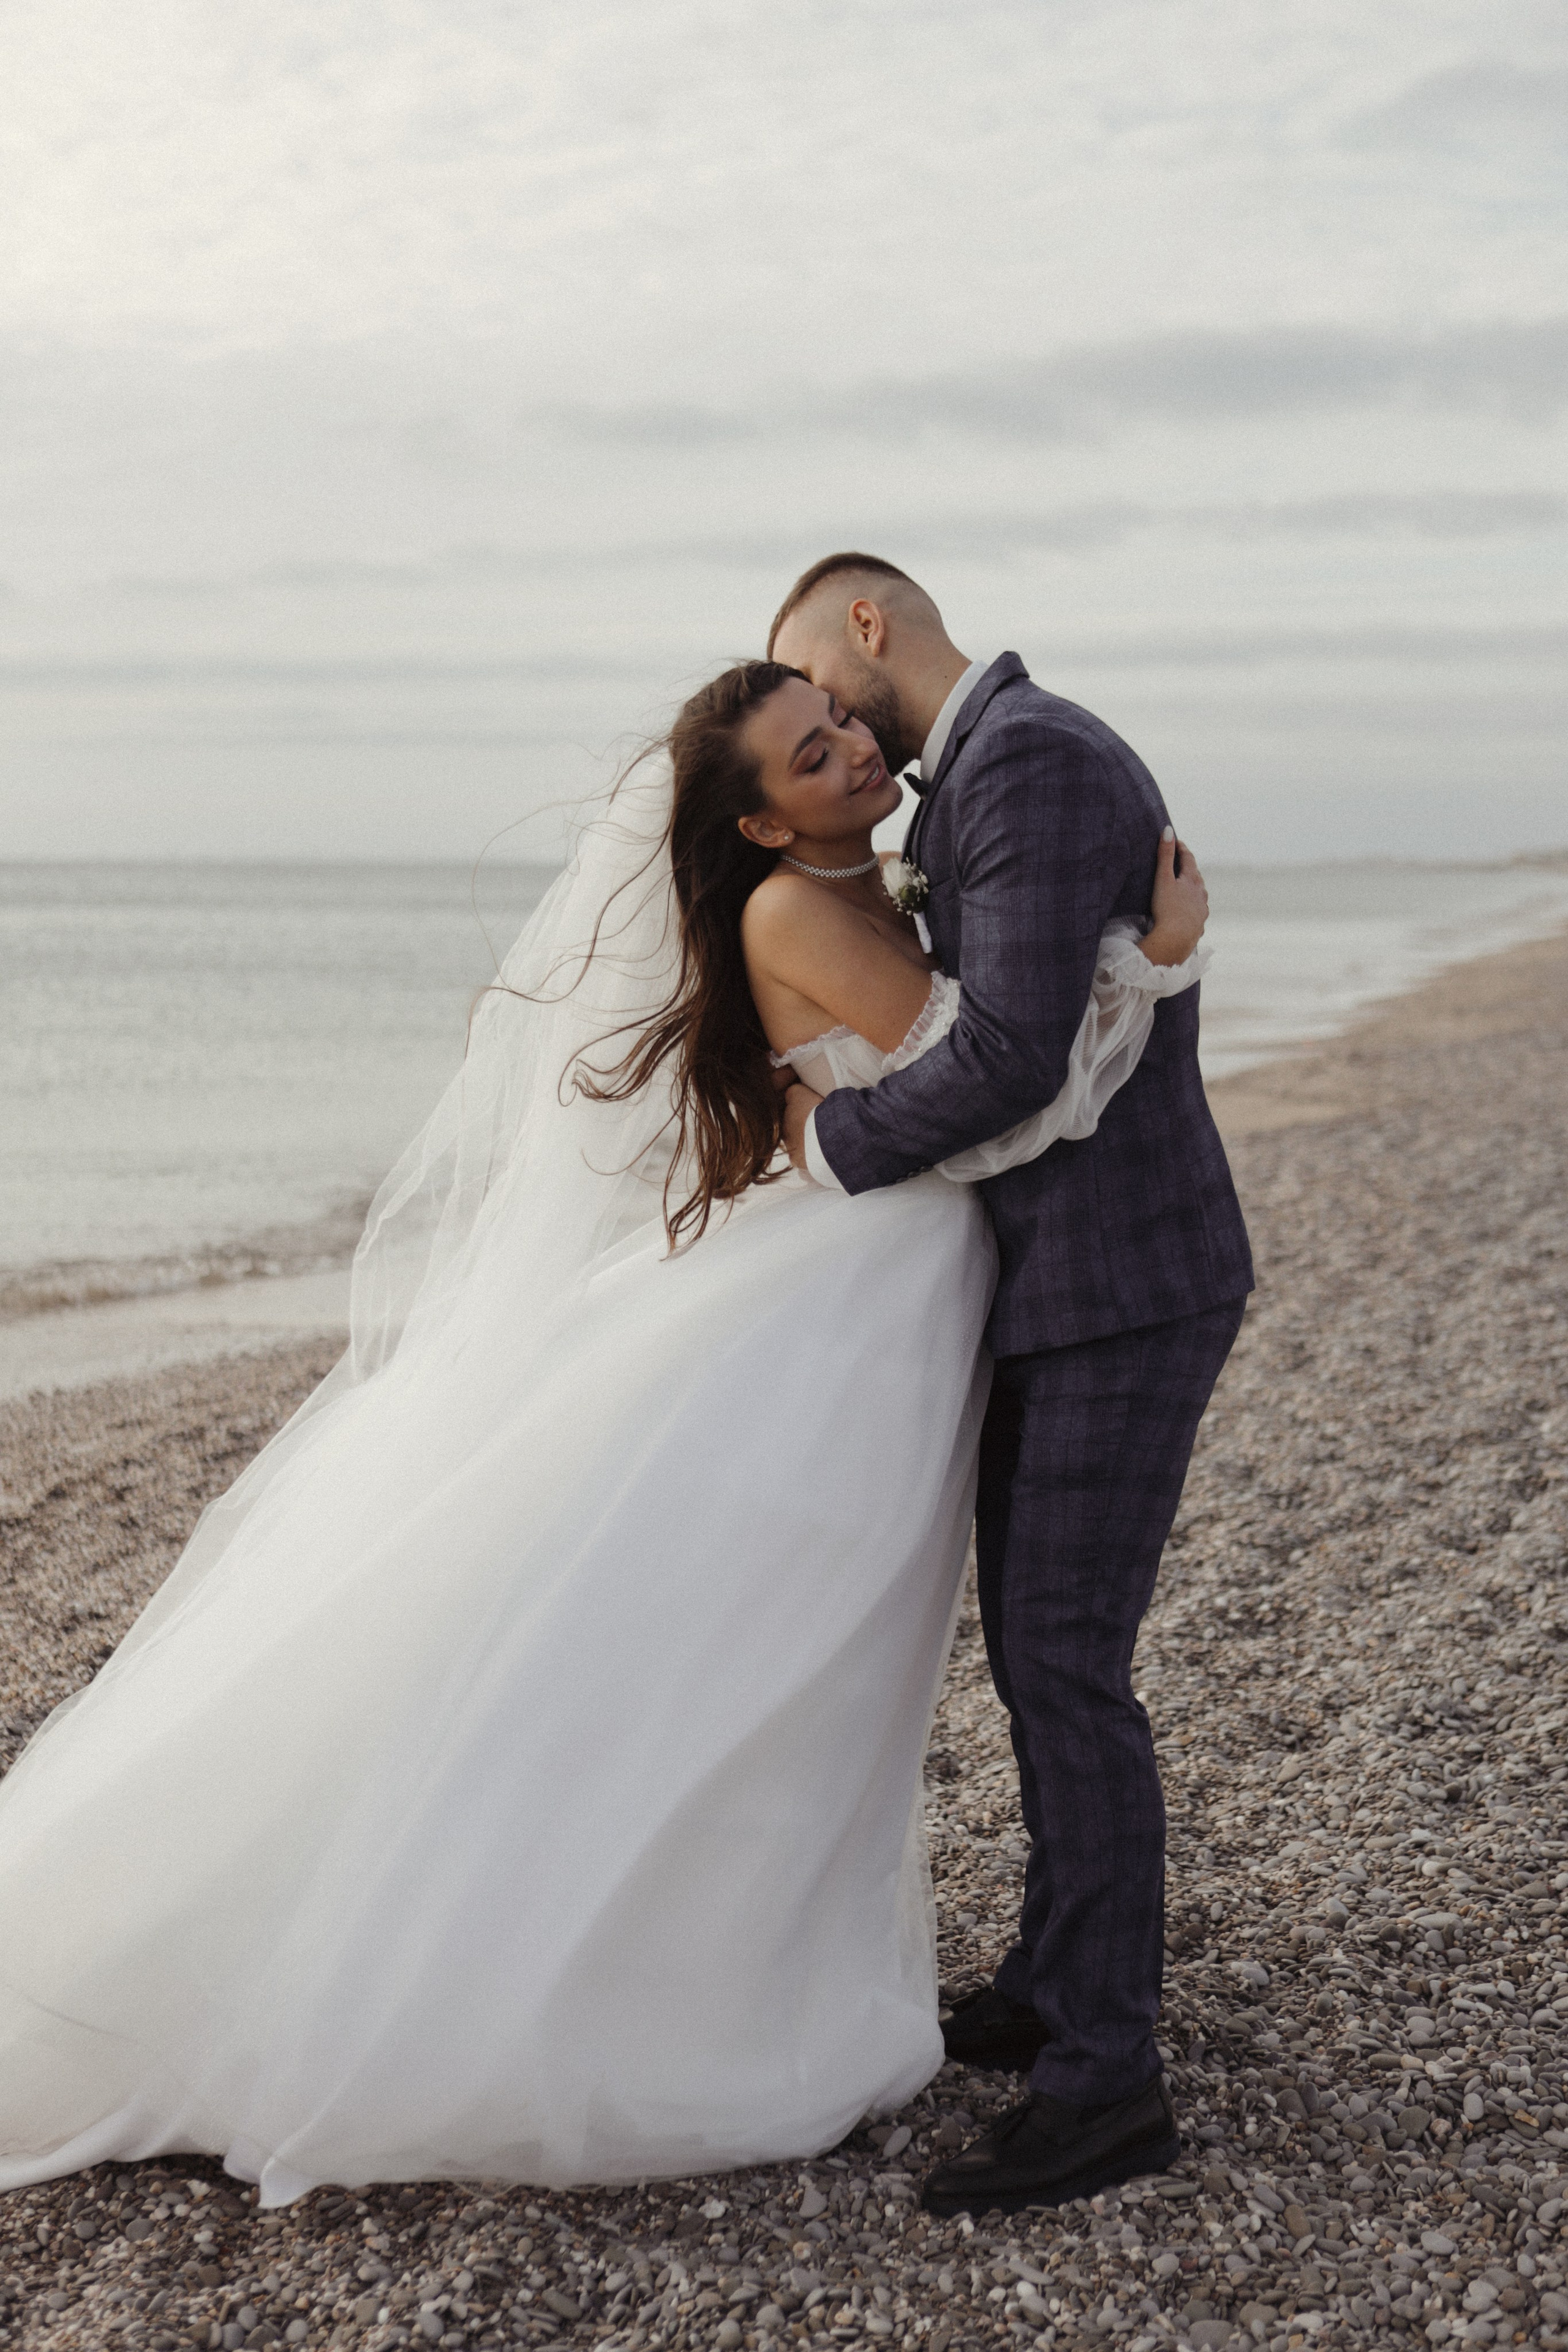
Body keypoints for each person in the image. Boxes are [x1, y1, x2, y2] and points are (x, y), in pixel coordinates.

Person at [0, 653, 1208, 2215]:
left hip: (881, 1297)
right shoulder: (793, 915)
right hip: (834, 1311)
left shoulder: (851, 888)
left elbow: (959, 1066)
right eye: (808, 755)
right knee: (751, 1646)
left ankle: (763, 1957)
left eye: (839, 725)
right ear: (759, 826)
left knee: (815, 1660)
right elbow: (996, 1094)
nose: (851, 751)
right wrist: (1152, 963)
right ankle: (625, 1987)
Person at [769, 555, 1253, 2217]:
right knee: (1039, 1653)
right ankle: (1055, 1979)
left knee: (1064, 1665)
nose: (829, 718)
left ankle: (1107, 2081)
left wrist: (826, 1145)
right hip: (1062, 1282)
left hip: (1122, 1283)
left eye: (814, 680)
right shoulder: (983, 770)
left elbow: (1007, 1057)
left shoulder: (1027, 759)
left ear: (867, 623)